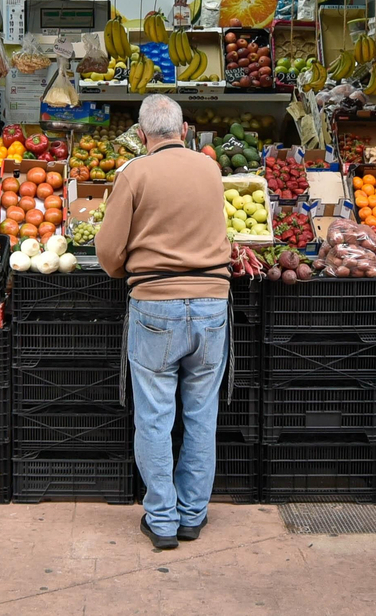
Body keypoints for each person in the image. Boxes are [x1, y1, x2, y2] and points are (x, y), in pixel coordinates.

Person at [95, 94, 232, 550]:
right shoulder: (211, 169)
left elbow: (109, 254)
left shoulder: (134, 172)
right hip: (212, 305)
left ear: (141, 135)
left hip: (156, 307)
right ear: (185, 131)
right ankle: (193, 514)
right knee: (201, 415)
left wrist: (129, 269)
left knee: (154, 418)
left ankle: (162, 521)